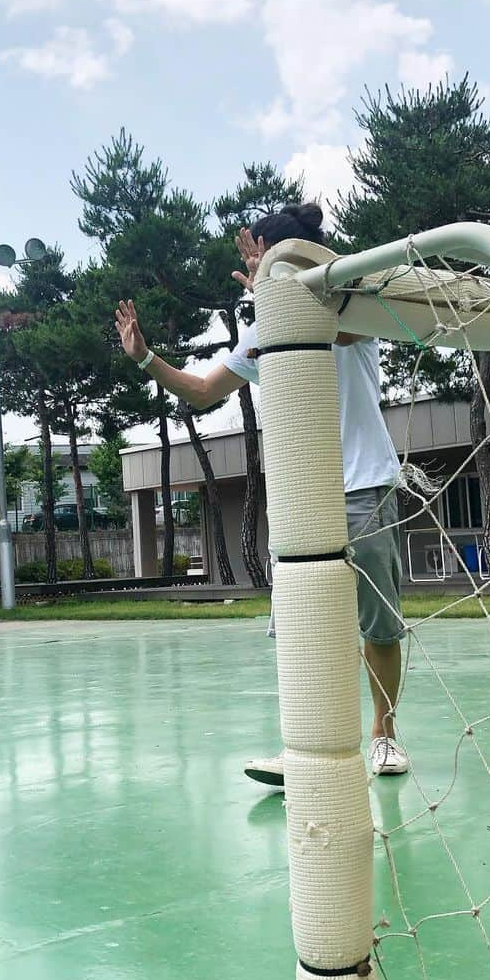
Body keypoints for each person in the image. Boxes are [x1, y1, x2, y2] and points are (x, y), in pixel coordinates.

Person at [114, 203, 409, 784]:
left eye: (271, 260)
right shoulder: (260, 333)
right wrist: (145, 357)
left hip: (365, 486)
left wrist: (271, 294)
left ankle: (385, 735)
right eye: (261, 263)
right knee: (306, 626)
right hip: (304, 497)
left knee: (378, 625)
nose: (262, 270)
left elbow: (325, 327)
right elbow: (201, 391)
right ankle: (311, 745)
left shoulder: (353, 304)